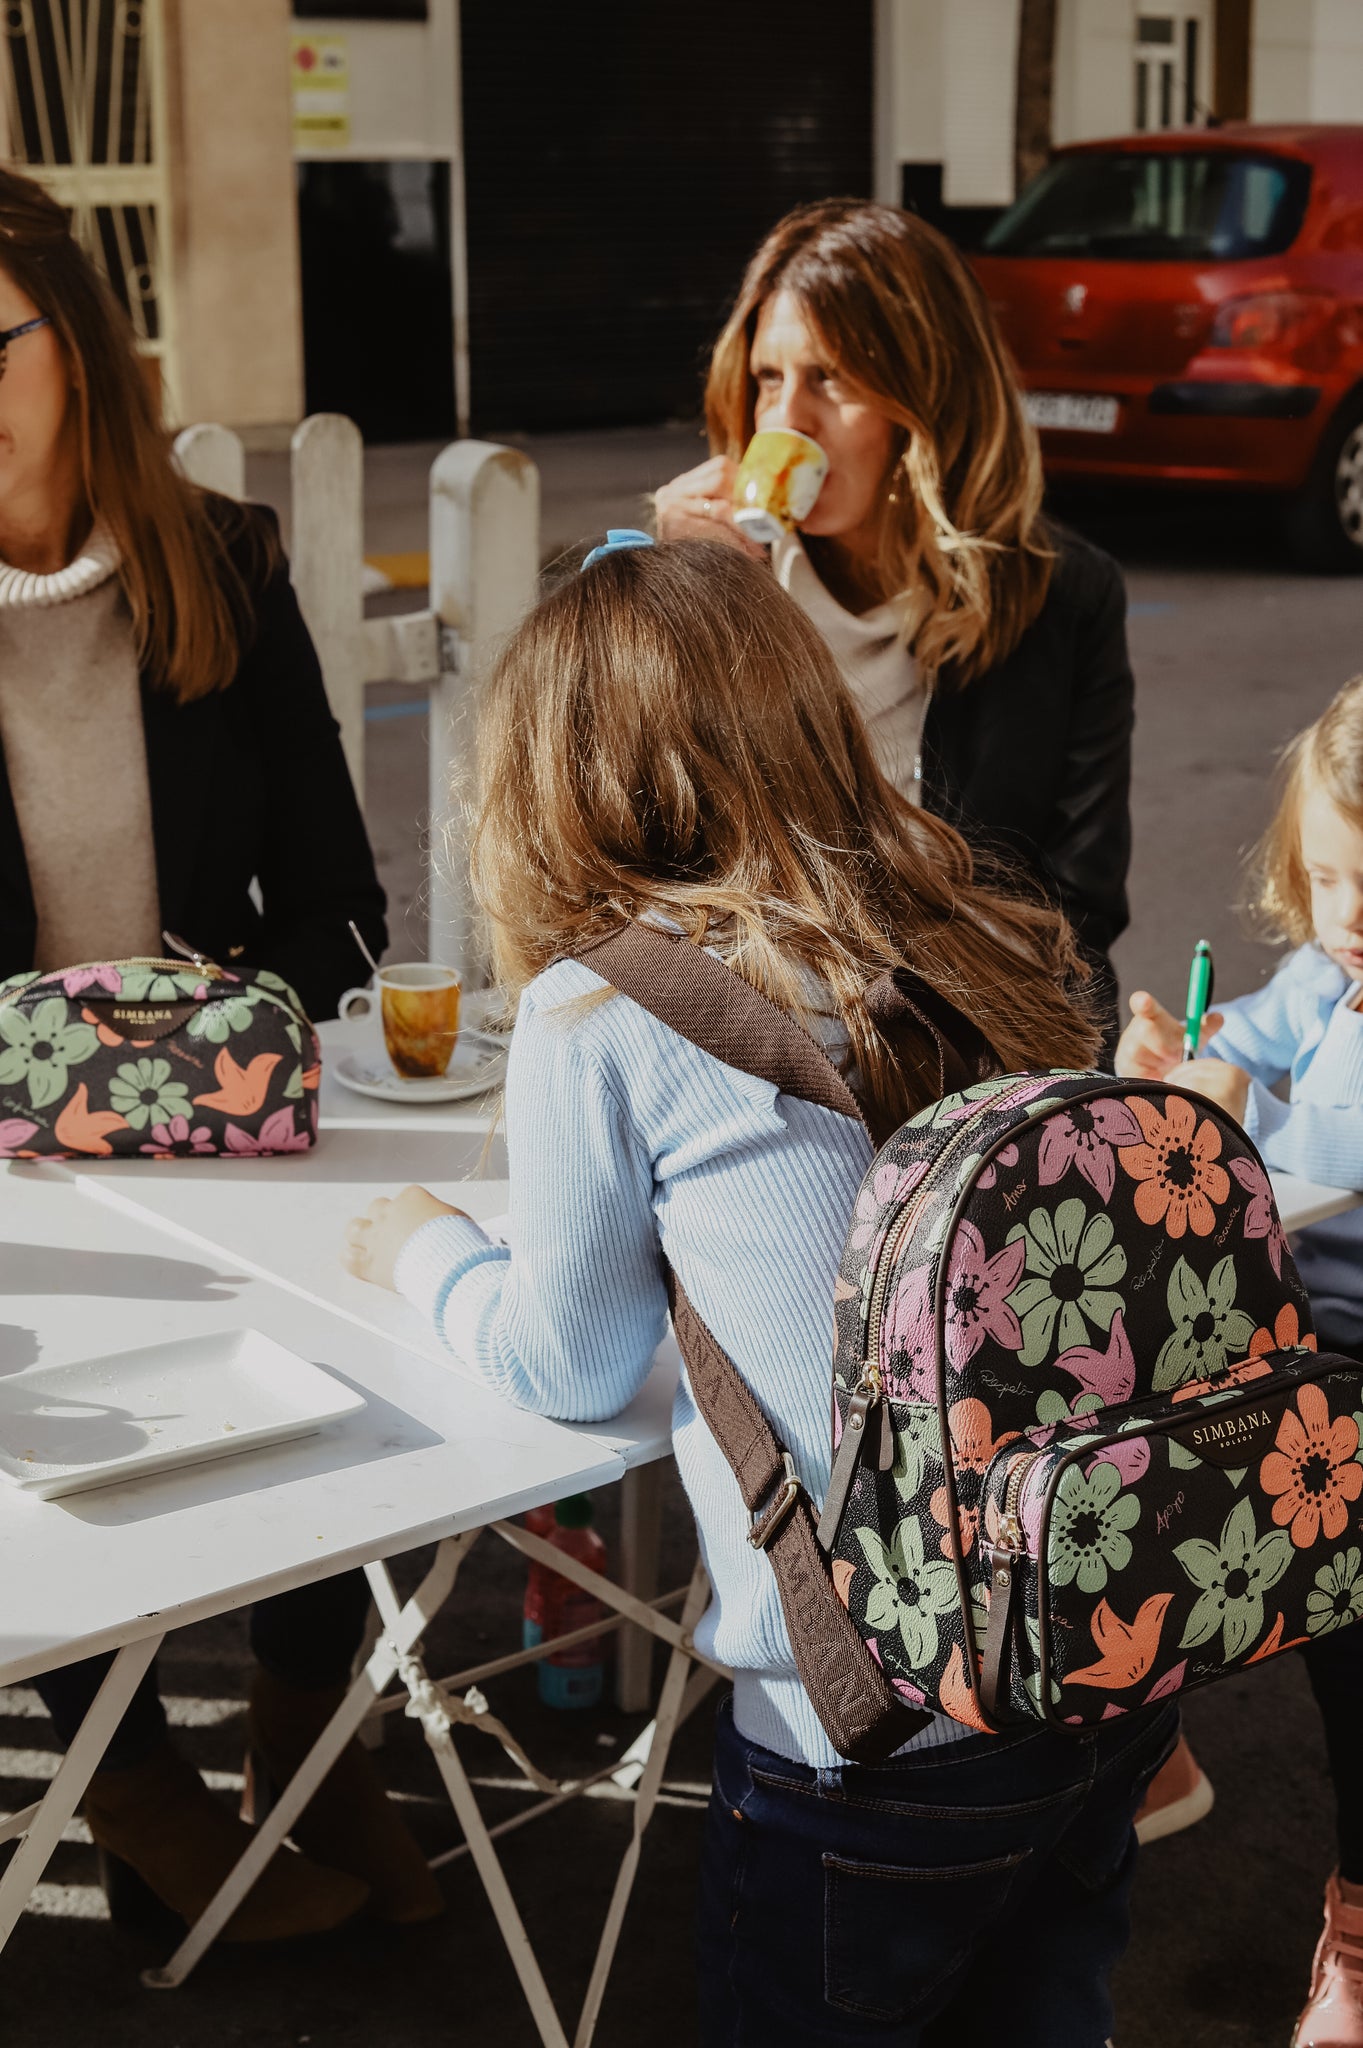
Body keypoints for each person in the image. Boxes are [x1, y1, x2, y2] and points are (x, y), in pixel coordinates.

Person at [345, 536, 1176, 2046]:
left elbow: (570, 1360)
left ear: (552, 780)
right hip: (1089, 1655)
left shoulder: (600, 1006)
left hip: (866, 1725)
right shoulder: (985, 926)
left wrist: (419, 1246)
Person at [0, 166, 438, 1938]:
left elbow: (342, 905)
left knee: (361, 1341)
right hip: (8, 1153)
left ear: (75, 349)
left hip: (217, 1117)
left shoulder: (226, 566)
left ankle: (305, 1726)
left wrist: (204, 1021)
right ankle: (131, 1795)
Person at [654, 199, 1134, 1043]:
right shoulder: (720, 570)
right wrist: (676, 603)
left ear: (928, 392)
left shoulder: (1062, 597)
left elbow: (1075, 910)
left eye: (830, 378)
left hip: (971, 1048)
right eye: (769, 379)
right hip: (754, 1046)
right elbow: (638, 855)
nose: (786, 421)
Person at [1116, 673, 1363, 2048]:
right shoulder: (1327, 974)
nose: (1347, 919)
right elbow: (1252, 1041)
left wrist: (1240, 1111)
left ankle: (1356, 1919)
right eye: (1324, 877)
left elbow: (1326, 1144)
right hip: (1288, 1362)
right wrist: (1189, 1054)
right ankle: (1131, 1730)